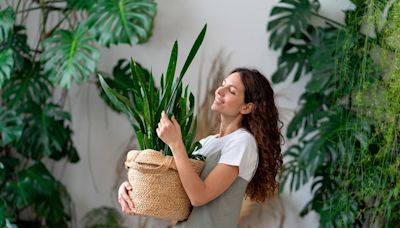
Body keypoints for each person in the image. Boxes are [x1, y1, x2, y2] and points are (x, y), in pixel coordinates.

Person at [118, 68, 283, 227]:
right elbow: (176, 188)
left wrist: (176, 144)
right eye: (223, 84)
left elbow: (199, 196)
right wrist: (133, 189)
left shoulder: (243, 142)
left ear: (246, 107)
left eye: (231, 90)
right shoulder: (207, 143)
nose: (219, 91)